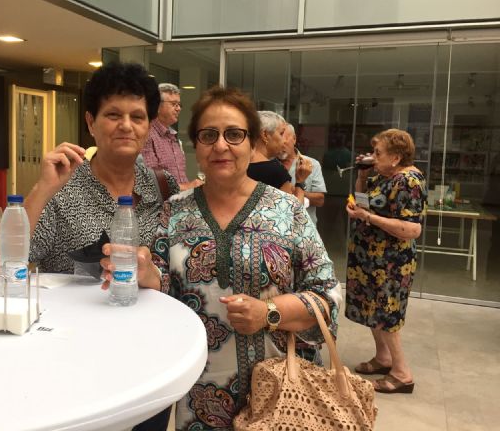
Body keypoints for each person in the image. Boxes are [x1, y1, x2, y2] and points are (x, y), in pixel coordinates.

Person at [101, 86, 341, 430]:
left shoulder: (287, 210)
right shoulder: (175, 212)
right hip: (200, 398)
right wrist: (146, 274)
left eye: (234, 134)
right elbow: (164, 290)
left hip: (283, 398)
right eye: (209, 135)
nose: (221, 145)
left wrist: (269, 312)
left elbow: (327, 296)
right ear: (196, 145)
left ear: (252, 143)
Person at [25, 61, 179, 431]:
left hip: (149, 356)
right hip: (72, 359)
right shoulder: (62, 186)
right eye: (113, 115)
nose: (126, 125)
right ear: (91, 122)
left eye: (137, 116)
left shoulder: (164, 187)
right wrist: (42, 189)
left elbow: (179, 273)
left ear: (148, 126)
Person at [345, 128, 427, 394]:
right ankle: (383, 358)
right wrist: (361, 177)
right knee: (374, 311)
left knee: (388, 315)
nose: (373, 156)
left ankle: (402, 374)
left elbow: (412, 229)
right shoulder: (383, 176)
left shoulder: (409, 181)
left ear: (396, 157)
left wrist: (368, 218)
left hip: (391, 263)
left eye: (378, 153)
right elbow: (364, 202)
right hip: (371, 259)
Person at [141, 83, 202, 190]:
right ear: (157, 106)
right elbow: (151, 181)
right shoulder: (147, 135)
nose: (178, 109)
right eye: (174, 104)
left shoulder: (173, 136)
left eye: (179, 104)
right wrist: (188, 186)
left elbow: (180, 178)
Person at [247, 111, 306, 203]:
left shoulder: (238, 164)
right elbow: (294, 210)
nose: (284, 141)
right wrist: (300, 182)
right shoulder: (276, 171)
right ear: (265, 135)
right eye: (281, 133)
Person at [279, 123, 326, 226]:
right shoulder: (267, 164)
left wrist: (295, 191)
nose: (281, 145)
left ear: (294, 139)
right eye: (278, 140)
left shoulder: (311, 164)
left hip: (305, 226)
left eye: (285, 140)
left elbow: (320, 200)